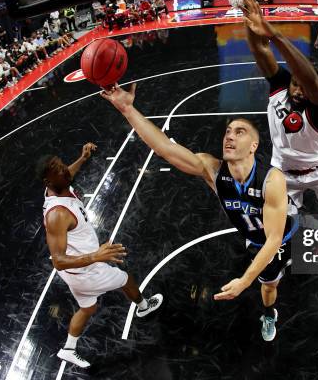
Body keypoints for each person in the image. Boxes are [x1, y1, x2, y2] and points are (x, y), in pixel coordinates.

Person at [101, 84, 295, 342]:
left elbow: (274, 239)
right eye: (227, 132)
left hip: (286, 233)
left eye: (240, 132)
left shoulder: (272, 180)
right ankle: (270, 314)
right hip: (256, 239)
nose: (229, 136)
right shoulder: (213, 171)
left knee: (310, 261)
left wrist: (243, 281)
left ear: (254, 145)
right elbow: (165, 149)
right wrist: (127, 110)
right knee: (269, 287)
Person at [39, 143, 163, 367]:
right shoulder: (57, 214)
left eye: (61, 165)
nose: (64, 170)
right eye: (57, 169)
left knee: (88, 308)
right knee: (125, 279)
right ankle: (144, 307)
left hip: (78, 272)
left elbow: (68, 173)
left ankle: (68, 349)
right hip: (86, 270)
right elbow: (57, 261)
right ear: (48, 181)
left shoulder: (59, 185)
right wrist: (97, 256)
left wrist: (82, 157)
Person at [244, 0, 318, 225]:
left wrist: (276, 34)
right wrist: (251, 22)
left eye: (304, 86)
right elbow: (261, 51)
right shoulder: (282, 86)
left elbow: (310, 81)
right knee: (278, 222)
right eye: (295, 84)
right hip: (283, 170)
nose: (298, 90)